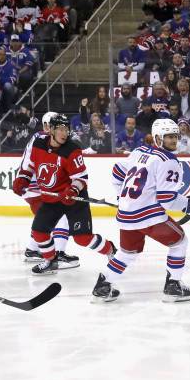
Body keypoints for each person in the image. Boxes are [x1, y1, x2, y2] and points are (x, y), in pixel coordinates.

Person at [95, 119, 190, 302]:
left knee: (127, 252)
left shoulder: (138, 151)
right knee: (179, 242)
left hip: (126, 215)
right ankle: (173, 286)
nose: (173, 140)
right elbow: (167, 200)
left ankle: (103, 285)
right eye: (168, 137)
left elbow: (117, 172)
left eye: (175, 136)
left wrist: (122, 197)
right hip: (148, 215)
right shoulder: (169, 161)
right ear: (158, 138)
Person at [12, 114, 116, 275]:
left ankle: (111, 251)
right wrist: (22, 179)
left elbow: (81, 178)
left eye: (66, 129)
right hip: (52, 198)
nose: (64, 133)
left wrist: (72, 190)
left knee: (83, 239)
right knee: (39, 231)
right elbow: (29, 167)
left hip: (73, 199)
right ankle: (51, 261)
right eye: (60, 129)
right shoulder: (38, 144)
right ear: (51, 130)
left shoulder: (72, 149)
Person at [15, 111, 79, 268]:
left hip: (37, 186)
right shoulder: (40, 139)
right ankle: (59, 254)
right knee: (60, 216)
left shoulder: (45, 139)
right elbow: (29, 163)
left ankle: (32, 250)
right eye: (56, 126)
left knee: (43, 220)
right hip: (35, 187)